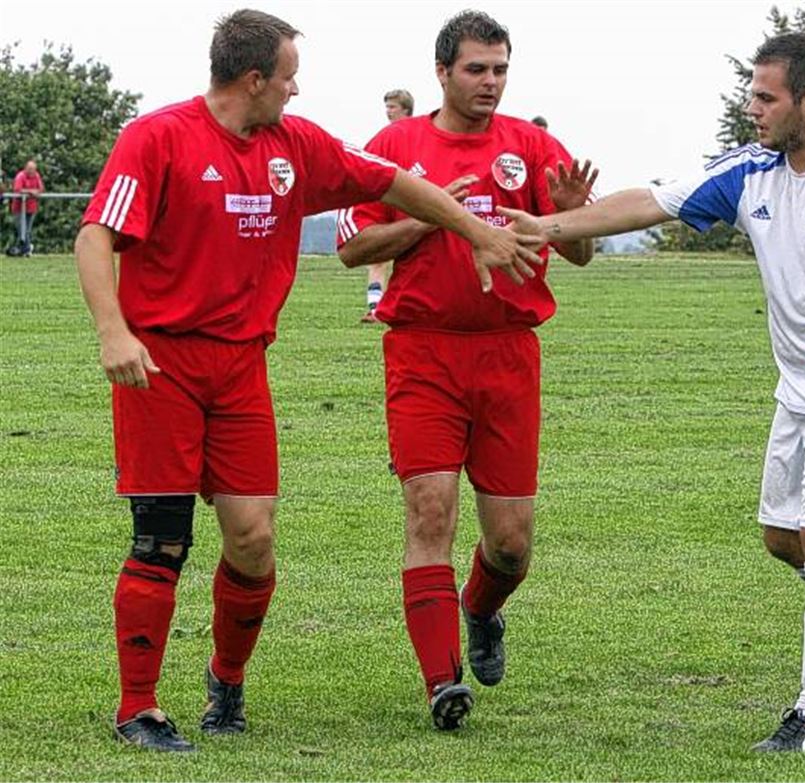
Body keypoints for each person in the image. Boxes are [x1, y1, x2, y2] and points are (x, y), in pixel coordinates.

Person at [74, 8, 539, 754]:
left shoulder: (296, 144)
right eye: (288, 76)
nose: (297, 90)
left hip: (241, 368)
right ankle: (140, 706)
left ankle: (225, 679)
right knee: (161, 539)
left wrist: (474, 228)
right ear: (254, 79)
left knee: (253, 540)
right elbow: (95, 232)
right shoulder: (157, 137)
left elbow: (393, 183)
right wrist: (113, 331)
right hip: (160, 364)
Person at [500, 31, 805, 753]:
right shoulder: (751, 170)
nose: (752, 108)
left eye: (766, 96)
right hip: (799, 383)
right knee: (783, 537)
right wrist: (551, 225)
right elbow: (652, 202)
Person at [336, 9, 597, 731]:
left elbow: (580, 255)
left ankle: (480, 608)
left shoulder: (534, 147)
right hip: (422, 350)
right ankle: (441, 682)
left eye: (501, 69)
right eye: (477, 69)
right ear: (443, 73)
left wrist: (571, 220)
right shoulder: (398, 146)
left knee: (511, 543)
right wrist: (434, 216)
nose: (491, 83)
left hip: (510, 355)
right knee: (429, 513)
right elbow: (353, 248)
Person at [360, 89, 417, 323]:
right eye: (386, 107)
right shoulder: (383, 137)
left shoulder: (418, 136)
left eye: (392, 107)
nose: (388, 112)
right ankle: (375, 308)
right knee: (378, 257)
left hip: (412, 205)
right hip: (387, 201)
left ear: (406, 109)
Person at [9, 159, 44, 256]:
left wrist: (36, 192)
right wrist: (31, 192)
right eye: (30, 169)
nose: (32, 172)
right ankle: (27, 250)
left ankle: (20, 250)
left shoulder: (36, 176)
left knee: (27, 230)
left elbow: (41, 188)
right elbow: (17, 189)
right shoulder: (20, 176)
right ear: (26, 168)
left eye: (33, 169)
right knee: (22, 230)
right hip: (19, 209)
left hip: (31, 208)